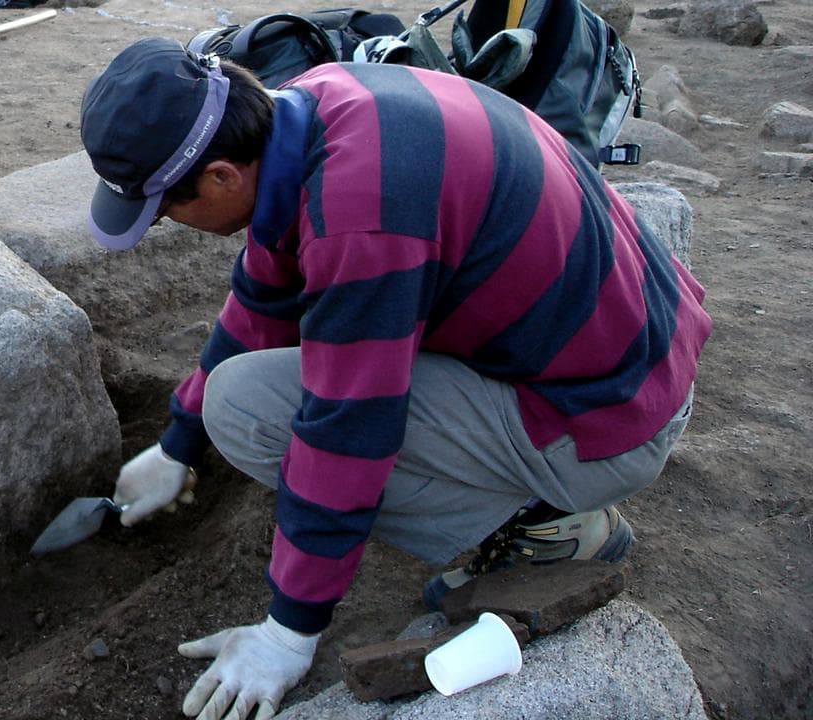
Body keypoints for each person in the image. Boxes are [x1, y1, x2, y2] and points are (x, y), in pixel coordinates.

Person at [79, 37, 711, 720]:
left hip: (610, 418)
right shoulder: (315, 102)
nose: (168, 223)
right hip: (630, 348)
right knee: (235, 395)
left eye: (166, 209)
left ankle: (550, 526)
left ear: (224, 179)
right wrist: (177, 442)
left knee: (252, 411)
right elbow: (264, 300)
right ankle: (540, 497)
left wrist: (287, 635)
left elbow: (348, 429)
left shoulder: (364, 217)